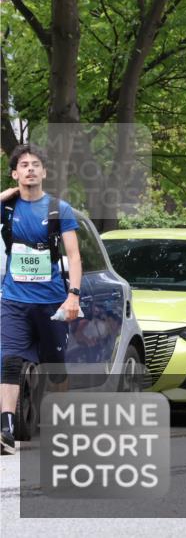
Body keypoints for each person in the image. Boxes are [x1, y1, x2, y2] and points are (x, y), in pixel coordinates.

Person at [1, 144, 83, 455]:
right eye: (24, 165)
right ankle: (6, 429)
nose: (30, 169)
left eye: (36, 164)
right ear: (15, 173)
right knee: (8, 360)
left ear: (44, 173)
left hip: (51, 301)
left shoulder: (57, 209)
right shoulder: (7, 208)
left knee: (55, 366)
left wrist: (72, 295)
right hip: (13, 299)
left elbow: (74, 257)